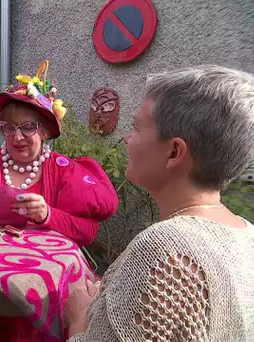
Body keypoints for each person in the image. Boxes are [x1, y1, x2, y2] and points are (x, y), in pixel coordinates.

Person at [0, 60, 119, 341]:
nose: (17, 136)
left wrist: (48, 215)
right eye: (9, 126)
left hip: (36, 297)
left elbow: (88, 231)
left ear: (46, 131)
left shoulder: (64, 170)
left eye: (28, 127)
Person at [65, 65, 254, 341]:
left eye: (137, 128)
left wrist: (79, 318)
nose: (127, 139)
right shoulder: (246, 235)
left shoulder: (165, 251)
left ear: (174, 152)